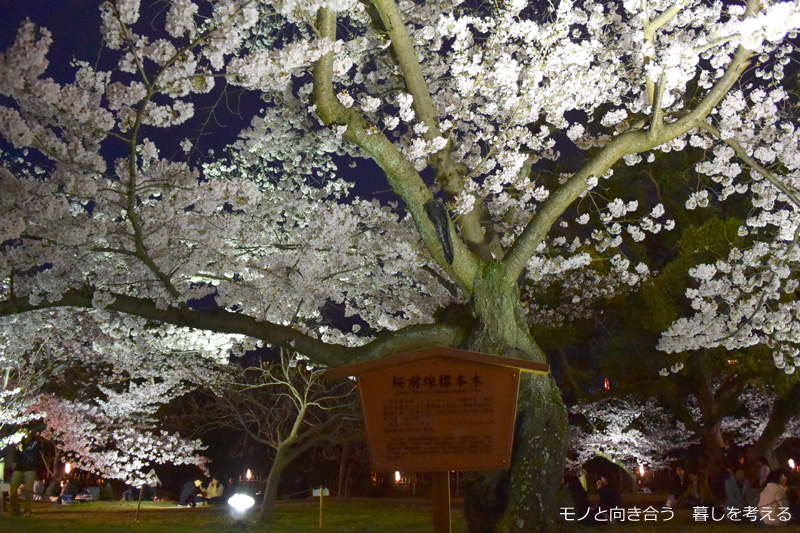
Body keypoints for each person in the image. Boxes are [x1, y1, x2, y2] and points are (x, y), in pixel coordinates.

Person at [9, 428, 41, 516]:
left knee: (28, 490)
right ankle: (15, 510)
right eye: (21, 432)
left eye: (25, 431)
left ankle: (27, 510)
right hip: (19, 467)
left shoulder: (34, 442)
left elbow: (34, 454)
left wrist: (22, 450)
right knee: (12, 488)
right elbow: (16, 454)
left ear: (29, 432)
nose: (23, 434)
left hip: (30, 468)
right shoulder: (19, 442)